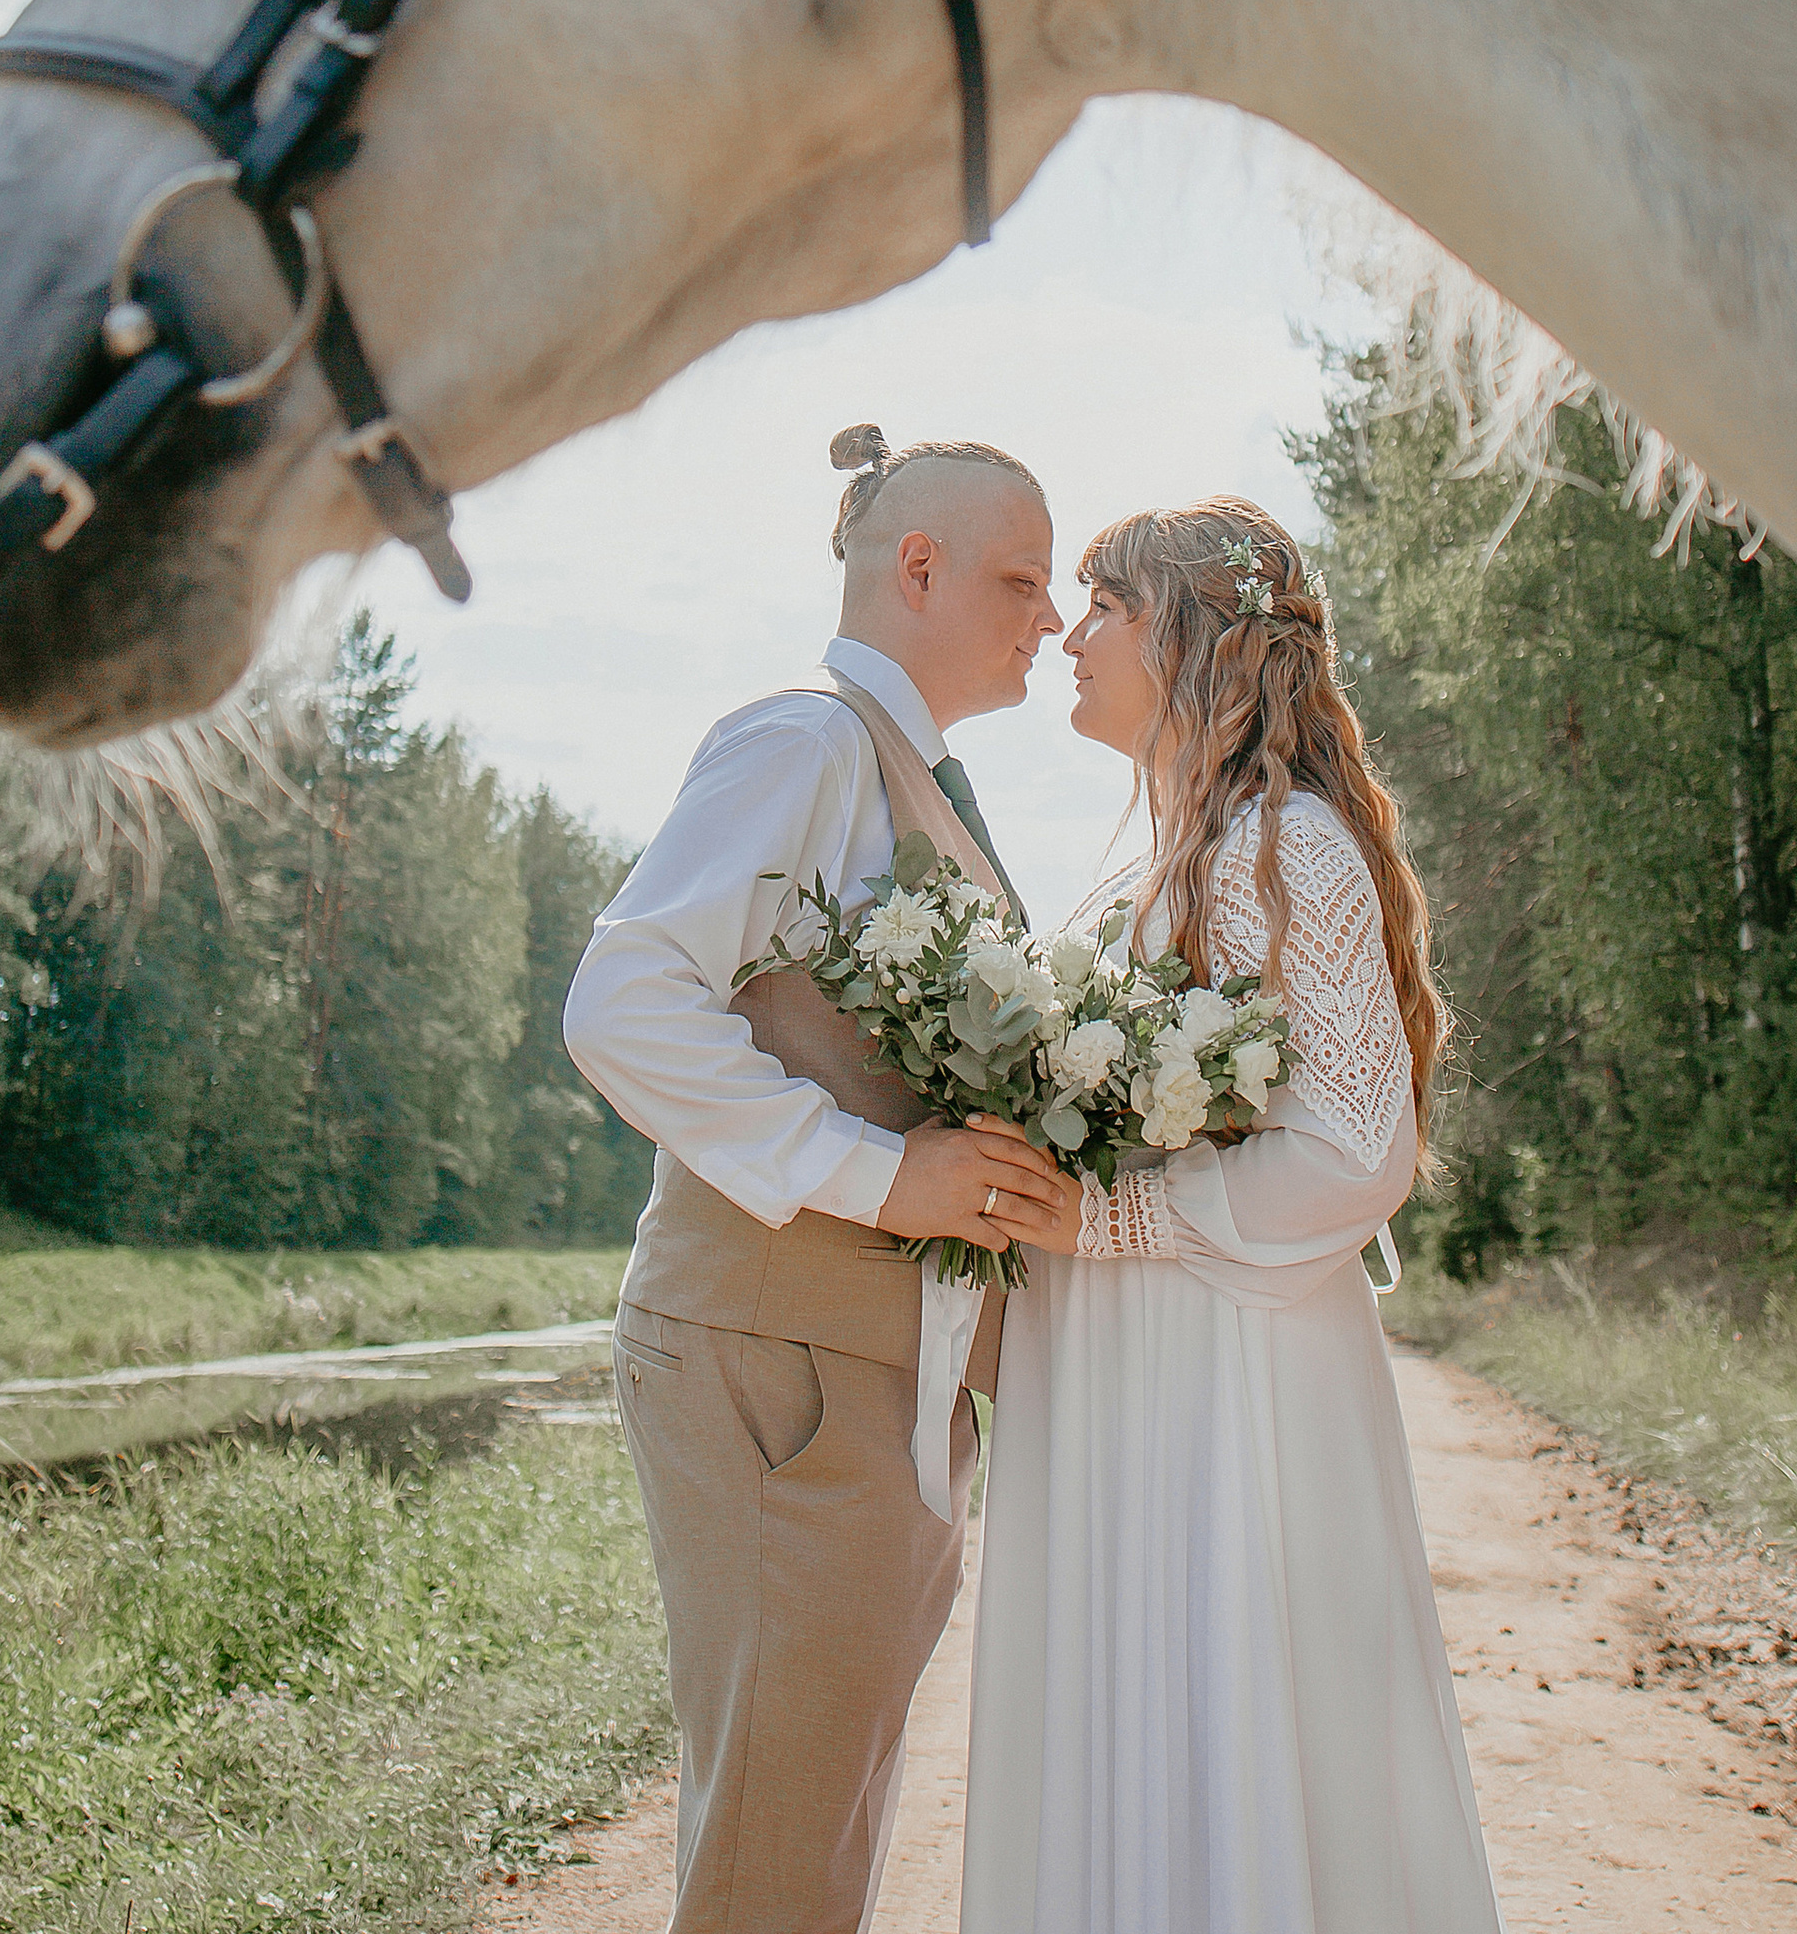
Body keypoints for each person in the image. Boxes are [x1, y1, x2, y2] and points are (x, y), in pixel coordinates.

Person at [962, 498, 1504, 1934]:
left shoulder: (1291, 847)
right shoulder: (1169, 856)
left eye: (1107, 607)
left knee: (1228, 1715)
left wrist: (1107, 1224)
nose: (1071, 638)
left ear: (1197, 639)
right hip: (1130, 1365)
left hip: (1227, 1372)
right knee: (1133, 1721)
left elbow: (1361, 1149)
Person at [564, 423, 1069, 1934]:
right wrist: (881, 1177)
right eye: (1023, 579)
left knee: (813, 1840)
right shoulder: (805, 746)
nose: (1051, 617)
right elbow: (622, 1004)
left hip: (857, 1368)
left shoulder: (900, 772)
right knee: (775, 1865)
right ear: (916, 567)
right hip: (774, 1365)